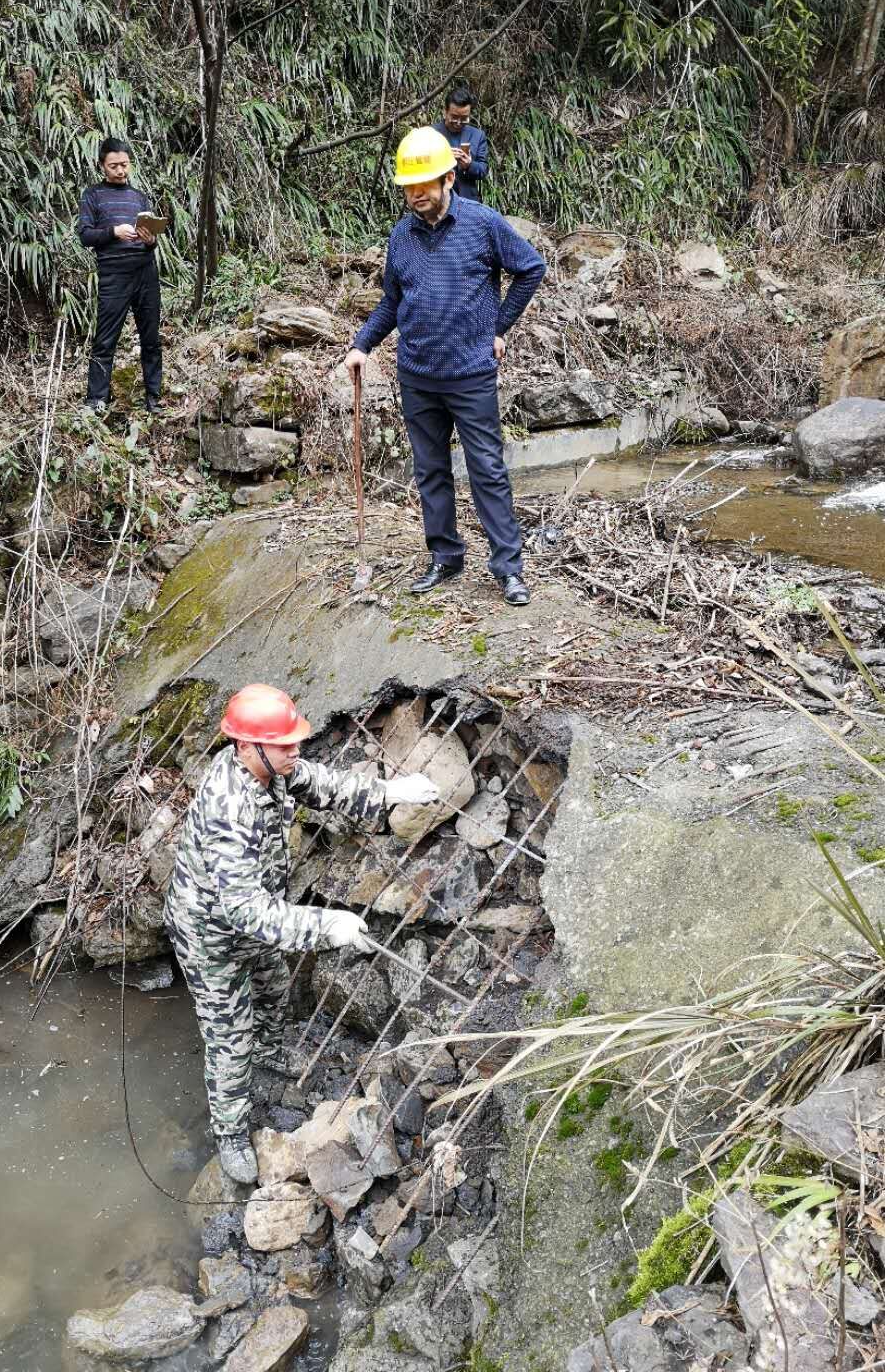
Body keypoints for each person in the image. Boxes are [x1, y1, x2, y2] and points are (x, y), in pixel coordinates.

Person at [165, 683, 439, 1184]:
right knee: (229, 1037)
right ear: (245, 746)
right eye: (285, 743)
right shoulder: (230, 810)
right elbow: (247, 911)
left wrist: (389, 792)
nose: (297, 750)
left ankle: (270, 1053)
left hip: (253, 915)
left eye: (295, 741)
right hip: (209, 934)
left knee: (272, 985)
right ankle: (229, 1133)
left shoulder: (274, 768)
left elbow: (325, 784)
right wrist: (327, 925)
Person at [344, 127, 546, 607]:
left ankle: (508, 569)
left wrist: (498, 329)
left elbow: (530, 268)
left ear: (449, 178)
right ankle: (445, 556)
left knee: (487, 470)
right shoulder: (401, 236)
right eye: (409, 188)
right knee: (431, 470)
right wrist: (361, 345)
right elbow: (392, 301)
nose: (415, 196)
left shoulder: (482, 223)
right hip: (417, 374)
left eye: (424, 186)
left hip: (471, 374)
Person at [77, 136, 167, 416]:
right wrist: (113, 232)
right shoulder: (93, 195)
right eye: (114, 165)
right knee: (106, 339)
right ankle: (96, 401)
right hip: (113, 275)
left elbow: (152, 242)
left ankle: (154, 398)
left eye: (125, 165)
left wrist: (150, 238)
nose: (120, 171)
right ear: (102, 165)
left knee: (151, 338)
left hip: (145, 272)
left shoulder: (139, 197)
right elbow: (84, 235)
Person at [432, 86, 488, 202]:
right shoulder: (431, 133)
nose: (458, 122)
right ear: (445, 112)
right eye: (454, 117)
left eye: (464, 118)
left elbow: (483, 169)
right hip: (437, 199)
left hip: (468, 202)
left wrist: (469, 165)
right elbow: (421, 164)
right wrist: (443, 159)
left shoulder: (477, 135)